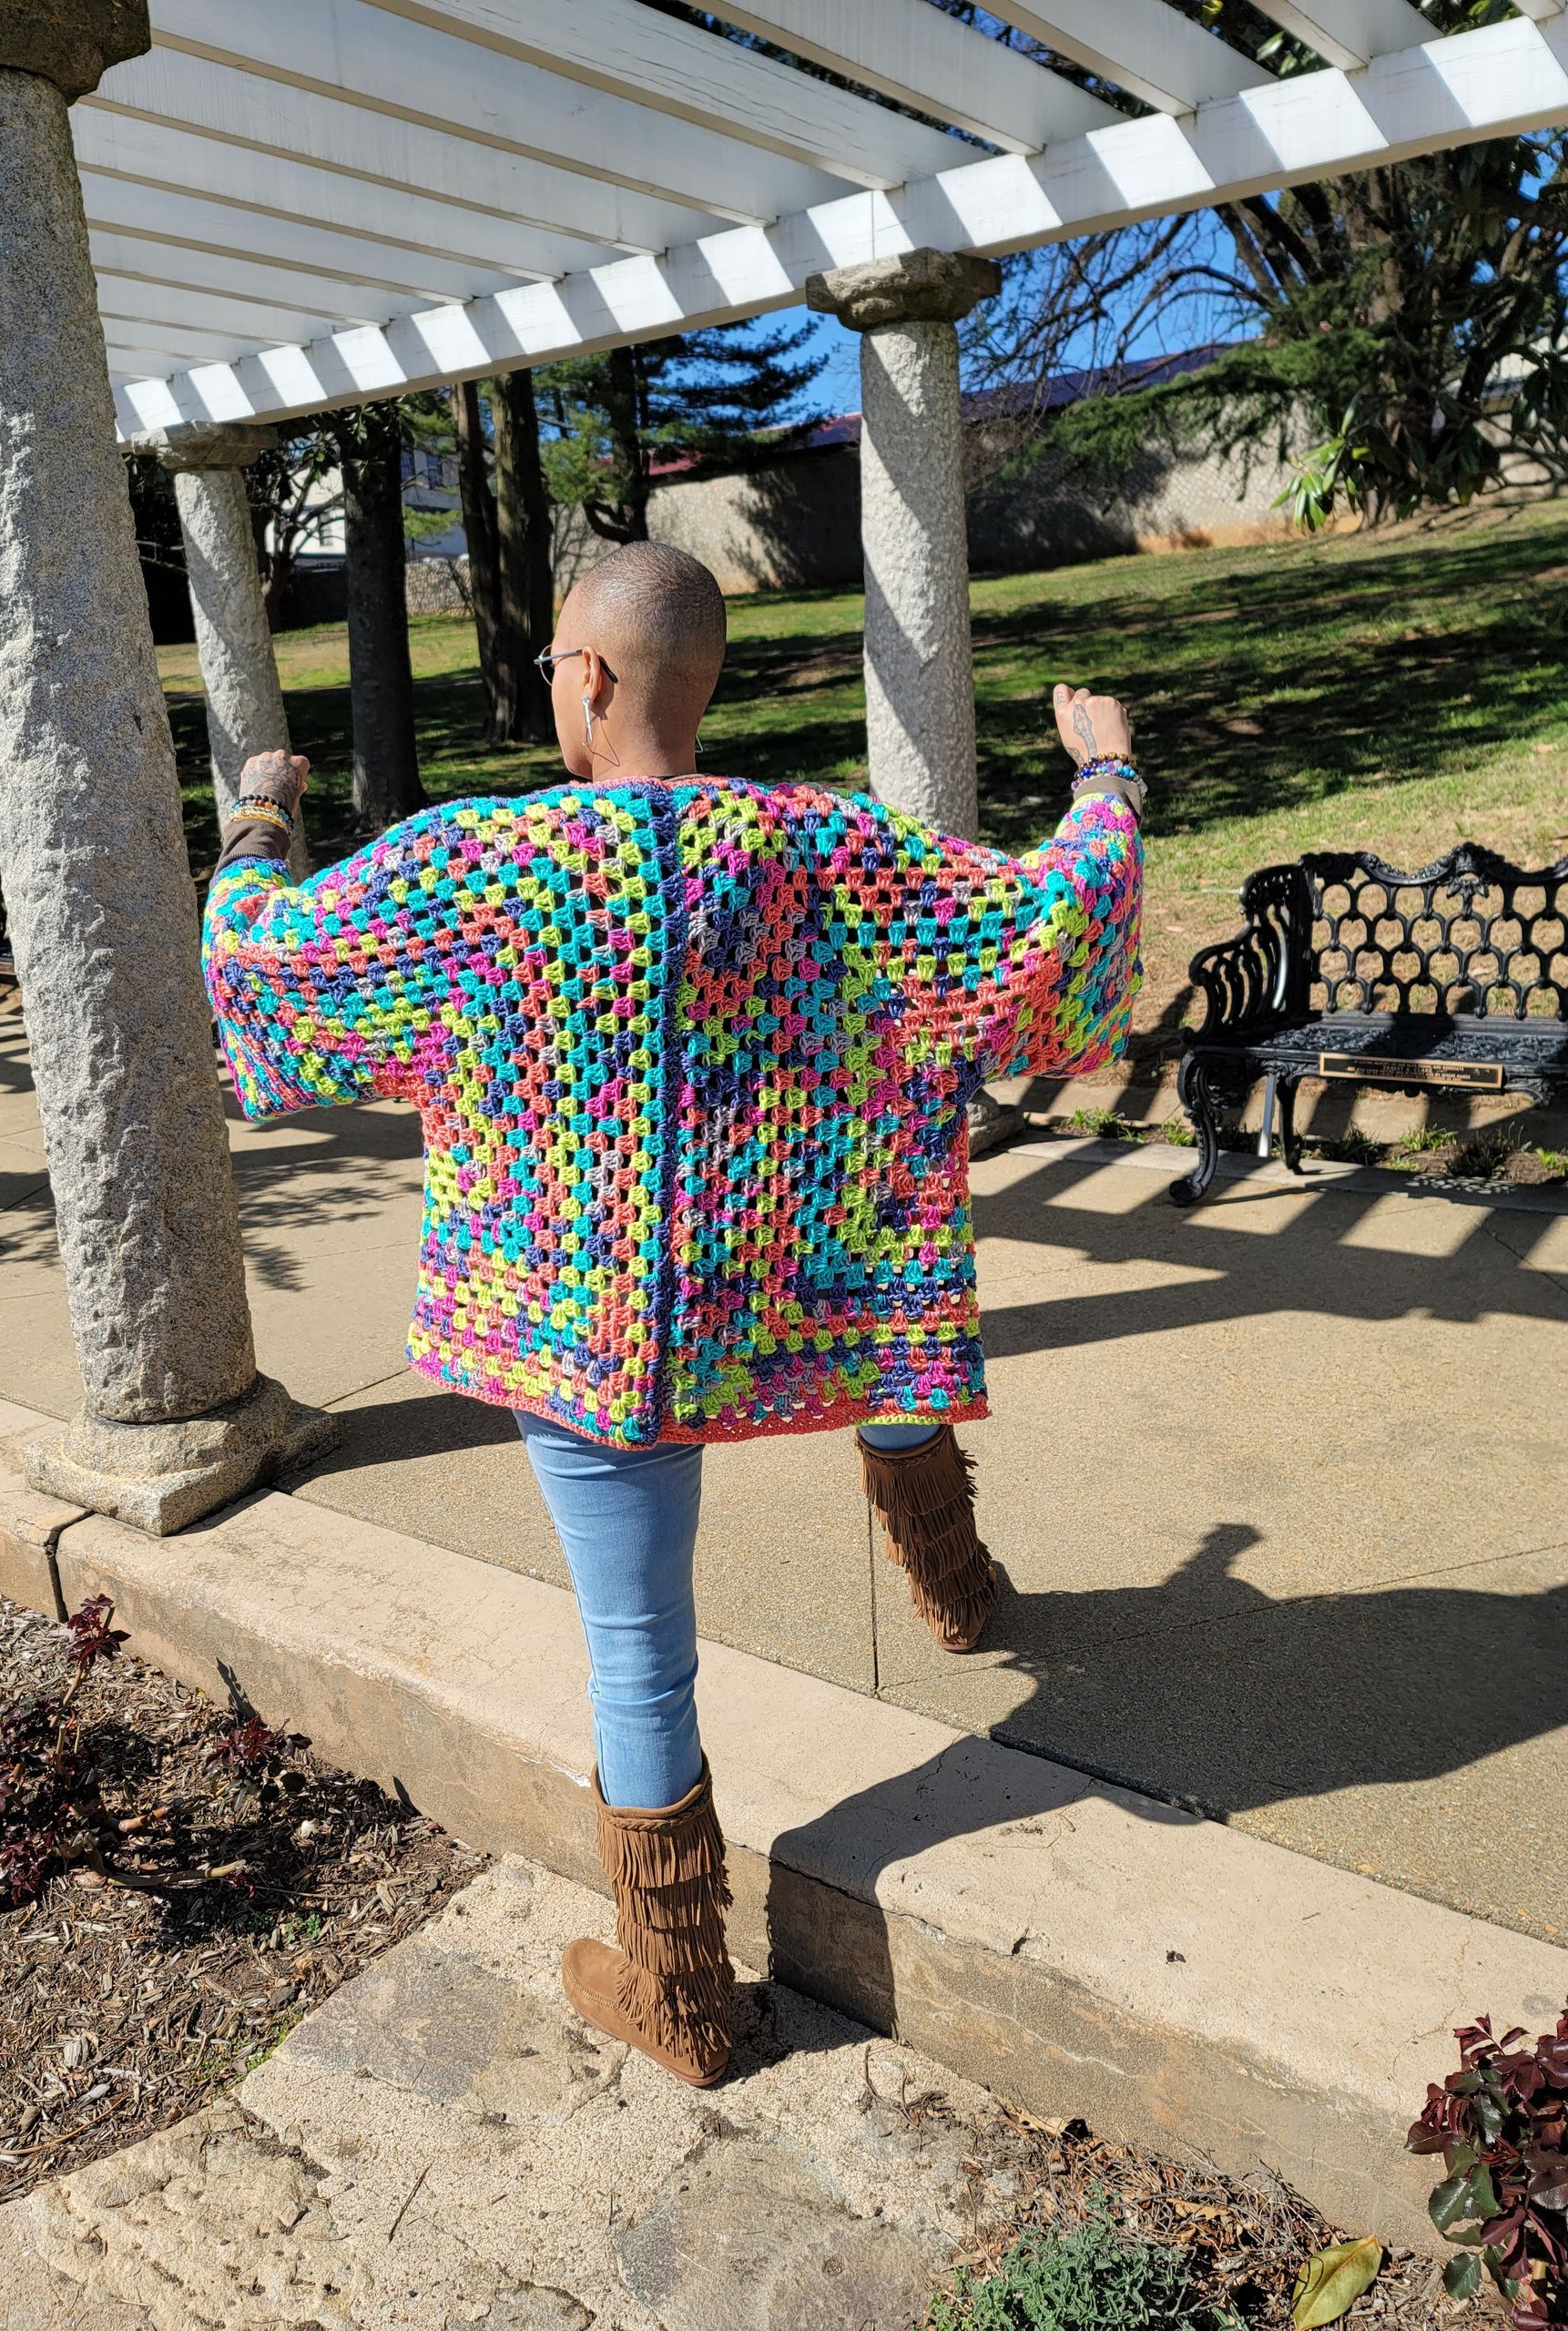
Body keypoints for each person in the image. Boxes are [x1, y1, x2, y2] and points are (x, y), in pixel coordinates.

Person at [201, 540, 1143, 2091]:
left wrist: (259, 810)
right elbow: (1050, 933)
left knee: (638, 1651)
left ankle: (685, 1995)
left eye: (554, 660)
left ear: (588, 675)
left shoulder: (475, 867)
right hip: (805, 1272)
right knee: (882, 1313)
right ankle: (958, 1587)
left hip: (584, 1328)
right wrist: (1105, 774)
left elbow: (261, 964)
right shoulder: (822, 851)